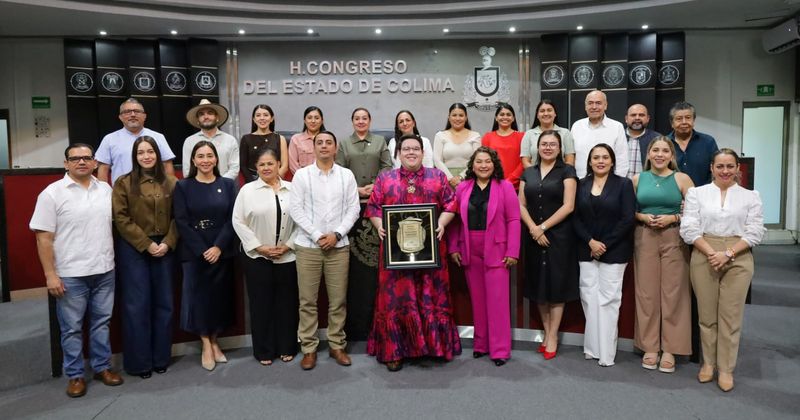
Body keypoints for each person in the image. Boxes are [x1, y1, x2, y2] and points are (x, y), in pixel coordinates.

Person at [30, 143, 123, 397]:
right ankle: (75, 375)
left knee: (101, 323)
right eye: (75, 159)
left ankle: (102, 367)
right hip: (70, 274)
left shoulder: (105, 189)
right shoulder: (51, 194)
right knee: (71, 327)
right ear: (66, 163)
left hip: (104, 269)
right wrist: (50, 275)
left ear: (95, 163)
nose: (82, 162)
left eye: (87, 158)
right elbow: (43, 238)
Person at [366, 134, 462, 371]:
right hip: (394, 254)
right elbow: (373, 207)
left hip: (431, 252)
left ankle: (433, 346)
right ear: (398, 153)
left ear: (423, 152)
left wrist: (441, 222)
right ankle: (395, 352)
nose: (411, 152)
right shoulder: (385, 178)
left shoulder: (437, 176)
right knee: (398, 300)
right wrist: (380, 226)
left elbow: (451, 204)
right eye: (406, 148)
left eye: (415, 149)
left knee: (430, 294)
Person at [680, 148, 766, 392]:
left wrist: (727, 254)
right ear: (711, 168)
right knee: (706, 316)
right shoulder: (697, 194)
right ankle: (708, 364)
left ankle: (726, 369)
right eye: (720, 166)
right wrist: (711, 252)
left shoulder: (751, 196)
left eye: (730, 166)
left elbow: (755, 231)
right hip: (704, 251)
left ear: (738, 168)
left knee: (730, 317)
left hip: (738, 255)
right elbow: (689, 228)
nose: (725, 171)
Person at [288, 131, 360, 371]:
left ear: (335, 147)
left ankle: (337, 345)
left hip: (338, 247)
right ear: (314, 147)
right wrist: (318, 235)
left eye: (329, 142)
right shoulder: (302, 175)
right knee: (307, 301)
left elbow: (354, 209)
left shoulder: (346, 175)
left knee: (337, 301)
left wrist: (337, 234)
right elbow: (295, 209)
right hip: (308, 246)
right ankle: (308, 348)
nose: (324, 146)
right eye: (320, 143)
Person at [112, 136, 178, 378]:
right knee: (136, 307)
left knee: (165, 305)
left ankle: (161, 358)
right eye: (141, 153)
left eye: (150, 151)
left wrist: (168, 242)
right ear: (135, 156)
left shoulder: (171, 182)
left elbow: (178, 218)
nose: (146, 156)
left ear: (157, 155)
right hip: (135, 249)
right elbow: (121, 219)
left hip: (165, 249)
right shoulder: (124, 183)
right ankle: (139, 363)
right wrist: (147, 244)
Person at [447, 146, 520, 366]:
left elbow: (514, 220)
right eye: (479, 161)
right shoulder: (463, 188)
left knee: (497, 301)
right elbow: (455, 219)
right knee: (477, 300)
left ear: (494, 164)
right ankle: (481, 344)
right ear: (473, 165)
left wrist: (512, 251)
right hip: (470, 248)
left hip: (497, 250)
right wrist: (453, 247)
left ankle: (499, 350)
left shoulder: (505, 187)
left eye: (487, 161)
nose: (483, 165)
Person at [173, 141, 238, 371]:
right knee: (198, 299)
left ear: (216, 159)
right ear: (193, 160)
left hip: (222, 250)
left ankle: (215, 340)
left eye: (210, 155)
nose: (205, 160)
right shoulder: (183, 186)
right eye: (200, 156)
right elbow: (181, 221)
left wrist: (218, 246)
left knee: (218, 299)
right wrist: (202, 249)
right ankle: (206, 344)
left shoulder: (228, 185)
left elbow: (233, 218)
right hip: (194, 252)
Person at [632, 137, 694, 373]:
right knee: (646, 293)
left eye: (665, 151)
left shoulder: (682, 179)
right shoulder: (638, 179)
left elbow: (696, 211)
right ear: (648, 154)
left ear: (671, 155)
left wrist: (674, 218)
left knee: (674, 293)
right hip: (644, 237)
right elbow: (630, 210)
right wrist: (642, 217)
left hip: (674, 237)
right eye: (655, 150)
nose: (659, 154)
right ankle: (650, 347)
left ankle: (670, 349)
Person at [232, 149, 298, 366]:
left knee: (287, 304)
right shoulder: (247, 191)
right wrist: (259, 247)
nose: (267, 168)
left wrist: (288, 246)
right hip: (257, 257)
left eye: (271, 163)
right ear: (256, 168)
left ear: (279, 164)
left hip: (287, 256)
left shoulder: (293, 189)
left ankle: (287, 346)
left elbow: (302, 221)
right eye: (262, 165)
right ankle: (264, 350)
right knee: (261, 305)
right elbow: (238, 221)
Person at [573, 144, 636, 367]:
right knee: (589, 299)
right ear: (589, 162)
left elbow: (627, 218)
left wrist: (604, 245)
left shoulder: (623, 184)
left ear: (612, 161)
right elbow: (575, 217)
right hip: (585, 248)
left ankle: (607, 354)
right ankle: (592, 348)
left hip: (615, 250)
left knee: (608, 300)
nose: (600, 161)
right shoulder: (581, 185)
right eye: (596, 157)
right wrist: (590, 241)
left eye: (605, 157)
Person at [519, 130, 579, 360]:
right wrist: (534, 228)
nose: (547, 147)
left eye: (552, 144)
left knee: (556, 287)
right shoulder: (528, 172)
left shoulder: (567, 171)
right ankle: (545, 332)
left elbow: (569, 206)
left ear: (560, 148)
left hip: (559, 237)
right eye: (543, 144)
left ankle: (553, 335)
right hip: (533, 236)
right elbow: (521, 204)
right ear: (537, 147)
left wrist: (542, 228)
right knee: (538, 287)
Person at [335, 107, 392, 341]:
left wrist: (375, 187)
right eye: (356, 118)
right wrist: (357, 189)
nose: (360, 121)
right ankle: (356, 328)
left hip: (377, 205)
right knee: (357, 270)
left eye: (364, 118)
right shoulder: (344, 143)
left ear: (370, 121)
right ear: (352, 121)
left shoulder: (380, 141)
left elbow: (388, 168)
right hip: (352, 206)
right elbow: (338, 171)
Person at [97, 98, 175, 184]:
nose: (133, 115)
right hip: (121, 193)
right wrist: (104, 193)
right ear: (120, 117)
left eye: (137, 111)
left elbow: (167, 165)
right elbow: (103, 169)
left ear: (145, 116)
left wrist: (170, 191)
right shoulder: (109, 139)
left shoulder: (158, 137)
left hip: (154, 193)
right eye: (127, 112)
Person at [570, 90, 628, 178]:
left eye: (598, 103)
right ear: (585, 106)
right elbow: (571, 157)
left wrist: (616, 184)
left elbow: (622, 159)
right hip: (580, 183)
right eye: (590, 103)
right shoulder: (577, 126)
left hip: (608, 184)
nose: (594, 107)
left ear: (605, 106)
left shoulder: (617, 127)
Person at [182, 99, 239, 180]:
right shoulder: (189, 141)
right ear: (198, 120)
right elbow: (187, 170)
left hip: (225, 187)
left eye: (210, 113)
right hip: (198, 189)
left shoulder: (230, 140)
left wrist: (219, 183)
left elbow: (234, 168)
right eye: (201, 114)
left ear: (217, 117)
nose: (206, 117)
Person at [666, 101, 719, 186]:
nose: (684, 122)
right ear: (672, 123)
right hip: (672, 196)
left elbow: (716, 170)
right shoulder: (664, 143)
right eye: (679, 119)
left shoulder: (708, 142)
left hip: (703, 196)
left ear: (693, 120)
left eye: (688, 118)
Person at [433, 103, 481, 188]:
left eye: (461, 115)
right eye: (454, 115)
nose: (457, 118)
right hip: (445, 180)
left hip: (469, 178)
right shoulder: (440, 135)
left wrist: (461, 177)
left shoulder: (475, 136)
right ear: (449, 117)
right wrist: (450, 178)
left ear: (466, 118)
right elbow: (437, 160)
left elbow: (477, 160)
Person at [240, 104, 289, 182]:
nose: (262, 118)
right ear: (254, 119)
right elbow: (243, 166)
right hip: (253, 181)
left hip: (275, 180)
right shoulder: (246, 138)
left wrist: (273, 180)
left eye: (266, 115)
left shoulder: (280, 138)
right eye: (258, 115)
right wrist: (254, 183)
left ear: (272, 118)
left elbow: (284, 165)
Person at [521, 99, 575, 167]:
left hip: (561, 176)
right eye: (542, 111)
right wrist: (535, 175)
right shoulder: (529, 134)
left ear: (555, 114)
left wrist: (563, 175)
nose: (546, 113)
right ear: (537, 115)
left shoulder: (565, 133)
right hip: (535, 176)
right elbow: (525, 161)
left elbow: (570, 160)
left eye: (549, 110)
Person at [481, 103, 524, 189]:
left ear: (513, 118)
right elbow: (484, 161)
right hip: (493, 184)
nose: (505, 117)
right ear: (496, 118)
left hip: (516, 186)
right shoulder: (487, 137)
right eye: (501, 114)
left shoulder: (522, 136)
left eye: (508, 115)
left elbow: (524, 162)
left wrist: (510, 181)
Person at [625, 104, 661, 179]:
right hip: (620, 187)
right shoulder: (618, 136)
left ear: (648, 118)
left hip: (646, 186)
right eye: (633, 115)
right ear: (626, 118)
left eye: (641, 115)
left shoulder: (657, 139)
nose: (637, 118)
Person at [288, 106, 326, 175]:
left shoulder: (329, 139)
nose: (313, 121)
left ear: (322, 121)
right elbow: (293, 165)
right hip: (303, 180)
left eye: (317, 118)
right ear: (304, 121)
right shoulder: (296, 139)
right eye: (309, 118)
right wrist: (305, 178)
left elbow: (334, 162)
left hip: (325, 178)